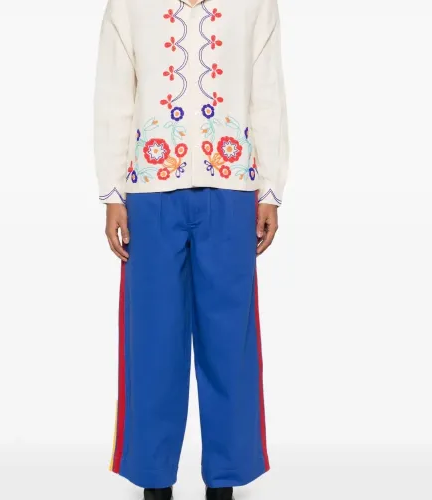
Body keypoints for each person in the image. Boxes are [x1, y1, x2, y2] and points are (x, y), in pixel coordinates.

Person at [94, 0, 288, 498]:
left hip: (232, 188)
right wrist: (113, 192)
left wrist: (270, 188)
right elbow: (115, 94)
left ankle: (225, 482)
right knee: (152, 341)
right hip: (150, 189)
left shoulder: (255, 5)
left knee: (230, 344)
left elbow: (267, 93)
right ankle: (153, 482)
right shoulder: (129, 6)